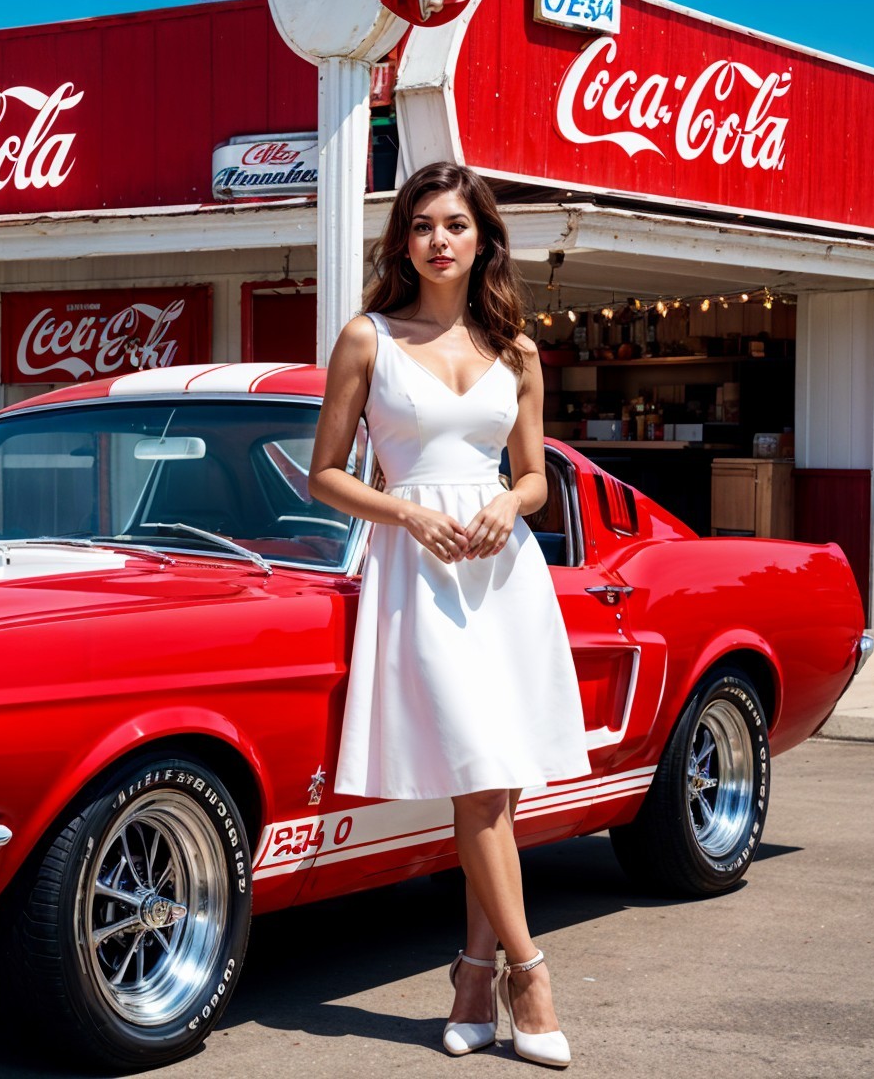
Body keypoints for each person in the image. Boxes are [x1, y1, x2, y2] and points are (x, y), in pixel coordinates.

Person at [308, 161, 590, 1068]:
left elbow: (535, 476)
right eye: (424, 224)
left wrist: (511, 502)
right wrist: (408, 513)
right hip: (417, 575)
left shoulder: (519, 351)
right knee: (476, 774)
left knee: (498, 787)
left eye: (456, 225)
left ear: (482, 240)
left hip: (504, 578)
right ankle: (530, 975)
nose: (440, 240)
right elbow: (325, 475)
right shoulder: (368, 338)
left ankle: (472, 975)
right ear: (404, 241)